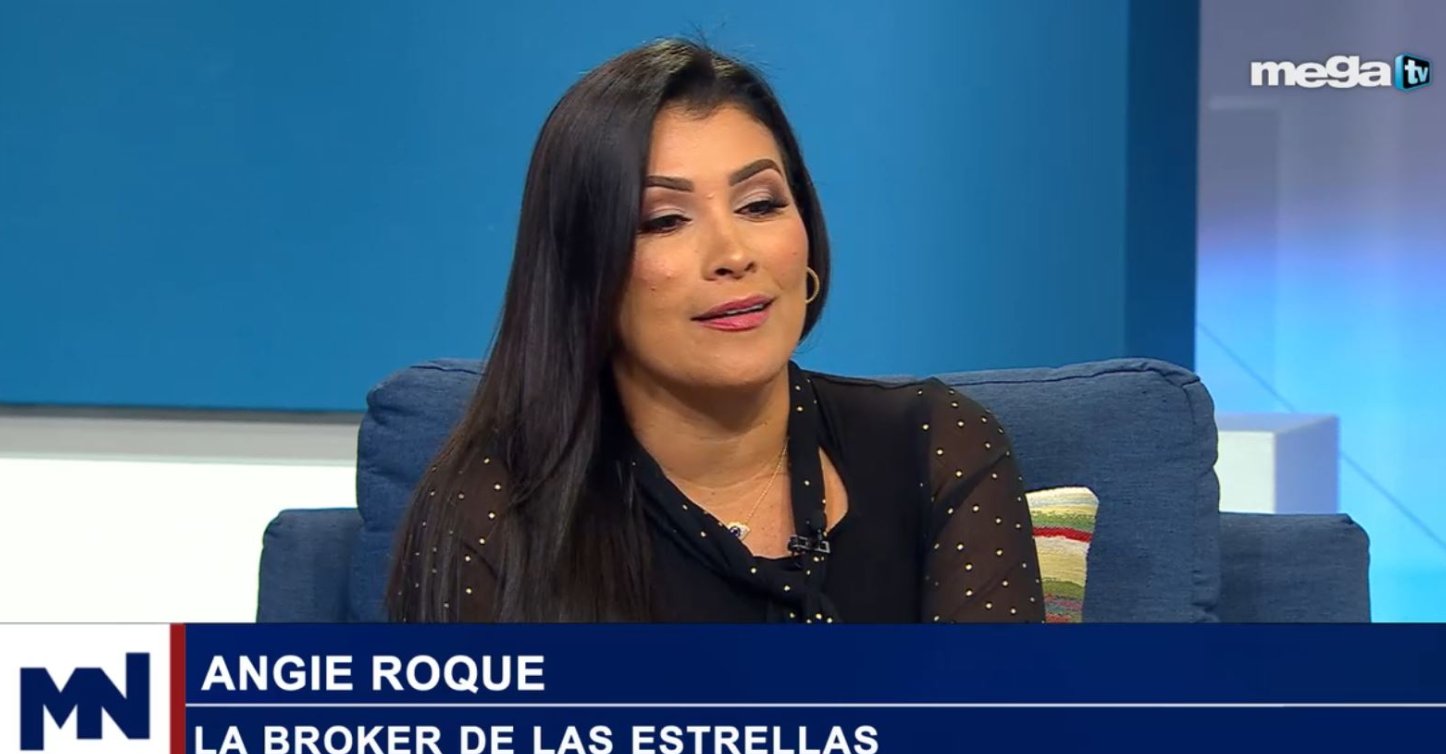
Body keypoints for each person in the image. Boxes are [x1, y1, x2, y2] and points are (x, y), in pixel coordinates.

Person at [387, 38, 1043, 624]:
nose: (733, 253)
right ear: (585, 270)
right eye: (664, 220)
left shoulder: (938, 447)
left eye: (760, 204)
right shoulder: (492, 510)